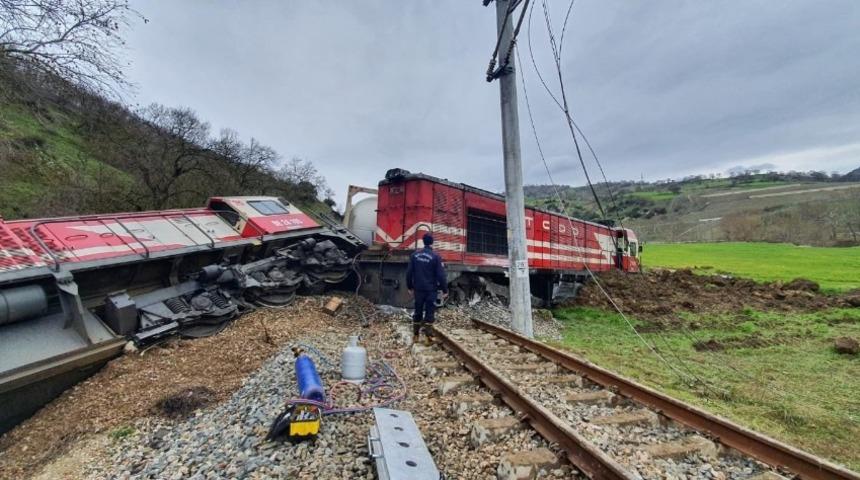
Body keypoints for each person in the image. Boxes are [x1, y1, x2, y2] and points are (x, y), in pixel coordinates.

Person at [406, 233, 448, 345]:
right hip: (431, 290)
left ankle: (415, 336)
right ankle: (428, 338)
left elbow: (409, 273)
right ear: (432, 242)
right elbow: (441, 275)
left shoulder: (414, 255)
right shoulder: (436, 256)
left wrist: (410, 287)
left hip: (418, 289)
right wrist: (445, 290)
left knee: (417, 311)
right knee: (430, 312)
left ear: (423, 241)